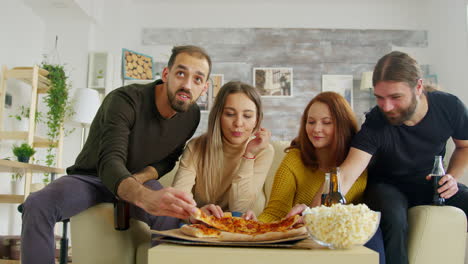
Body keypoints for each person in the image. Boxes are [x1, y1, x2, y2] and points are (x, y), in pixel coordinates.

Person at [20, 45, 212, 264]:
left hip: (137, 180)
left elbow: (168, 159)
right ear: (166, 74)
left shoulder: (191, 115)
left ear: (204, 88)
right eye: (180, 73)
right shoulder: (125, 99)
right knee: (37, 204)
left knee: (172, 217)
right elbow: (110, 161)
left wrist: (139, 181)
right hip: (92, 178)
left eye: (197, 79)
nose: (187, 85)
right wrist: (144, 197)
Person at [339, 51, 468, 264]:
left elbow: (464, 147)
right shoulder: (376, 122)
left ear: (418, 87)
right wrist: (308, 213)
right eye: (380, 98)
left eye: (395, 97)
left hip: (430, 183)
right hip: (387, 187)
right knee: (394, 218)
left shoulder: (450, 107)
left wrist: (452, 176)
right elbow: (345, 176)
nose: (387, 107)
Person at [245, 91, 385, 263]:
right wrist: (255, 225)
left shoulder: (357, 162)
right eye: (311, 122)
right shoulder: (294, 159)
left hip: (344, 244)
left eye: (326, 123)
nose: (316, 129)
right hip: (307, 241)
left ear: (342, 125)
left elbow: (354, 218)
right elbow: (276, 212)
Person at [172, 81, 274, 218]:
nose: (238, 123)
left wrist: (249, 155)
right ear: (218, 116)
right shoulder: (195, 147)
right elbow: (178, 200)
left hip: (239, 227)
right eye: (230, 114)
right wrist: (198, 214)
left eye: (247, 116)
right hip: (200, 224)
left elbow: (239, 207)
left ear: (257, 120)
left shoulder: (264, 151)